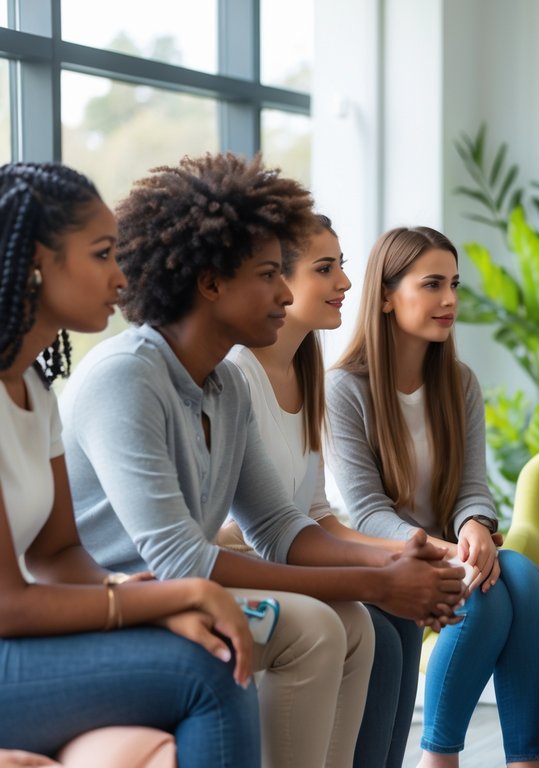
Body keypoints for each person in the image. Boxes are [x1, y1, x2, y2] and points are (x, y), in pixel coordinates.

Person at [61, 154, 466, 768]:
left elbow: (278, 525)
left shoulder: (221, 386)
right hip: (118, 609)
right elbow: (180, 560)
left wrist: (397, 561)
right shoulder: (127, 377)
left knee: (353, 623)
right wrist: (375, 578)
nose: (285, 292)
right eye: (270, 274)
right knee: (319, 627)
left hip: (179, 595)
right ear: (212, 283)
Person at [0, 161, 259, 766]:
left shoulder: (33, 391)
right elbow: (8, 602)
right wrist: (166, 599)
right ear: (39, 260)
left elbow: (57, 554)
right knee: (210, 674)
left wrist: (149, 600)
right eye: (101, 255)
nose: (121, 279)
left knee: (211, 651)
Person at [326, 225, 539, 768]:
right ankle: (439, 757)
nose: (449, 299)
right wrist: (446, 550)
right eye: (432, 284)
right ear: (385, 295)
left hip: (450, 549)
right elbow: (366, 512)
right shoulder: (344, 389)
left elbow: (471, 485)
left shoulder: (461, 382)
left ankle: (527, 762)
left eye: (454, 284)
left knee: (522, 575)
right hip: (384, 557)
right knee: (487, 588)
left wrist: (474, 524)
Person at [221, 214, 442, 766]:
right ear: (277, 278)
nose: (346, 282)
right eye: (326, 268)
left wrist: (413, 555)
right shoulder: (236, 375)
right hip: (252, 563)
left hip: (294, 549)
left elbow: (315, 512)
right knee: (379, 628)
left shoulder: (307, 368)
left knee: (398, 625)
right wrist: (392, 563)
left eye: (342, 266)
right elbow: (258, 530)